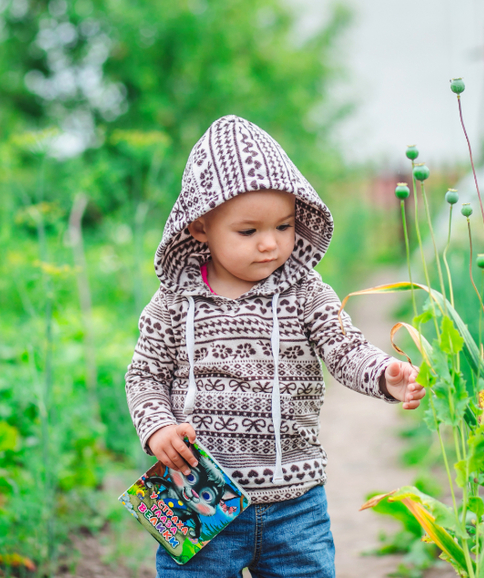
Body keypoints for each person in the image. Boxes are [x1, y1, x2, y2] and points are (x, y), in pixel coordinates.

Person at [125, 115, 425, 578]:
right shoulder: (173, 303)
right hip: (198, 496)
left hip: (295, 503)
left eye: (283, 226)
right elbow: (145, 374)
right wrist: (157, 427)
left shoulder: (304, 291)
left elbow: (344, 348)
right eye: (248, 232)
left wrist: (385, 374)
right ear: (200, 227)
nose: (269, 244)